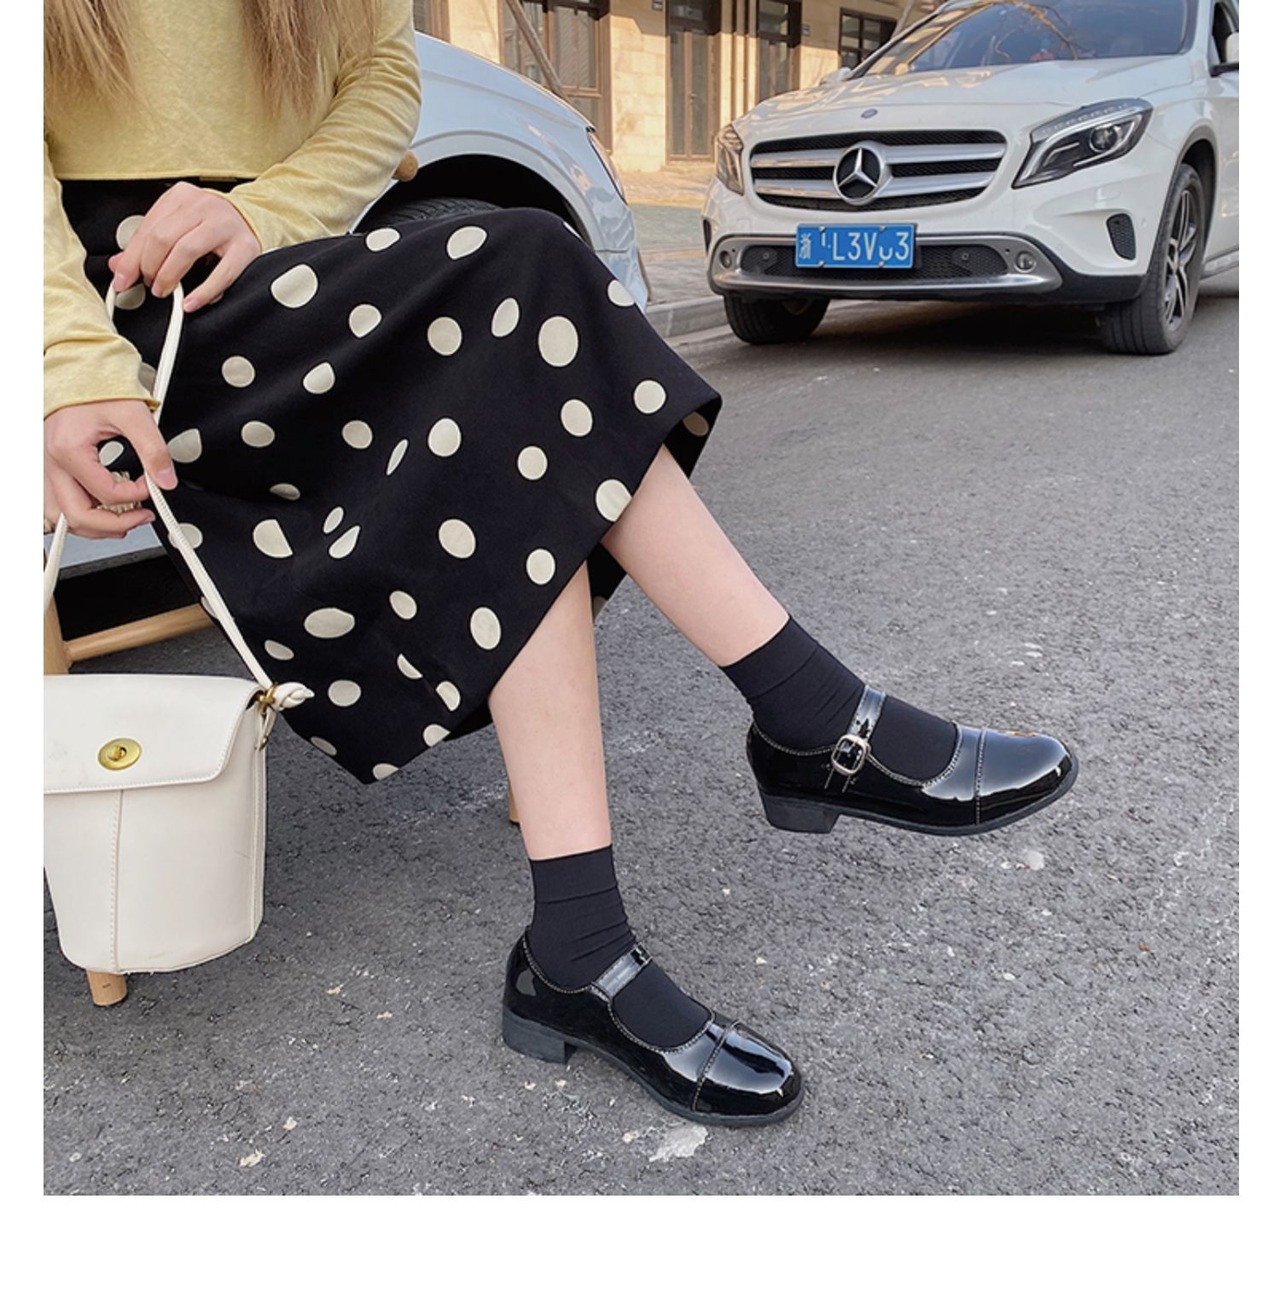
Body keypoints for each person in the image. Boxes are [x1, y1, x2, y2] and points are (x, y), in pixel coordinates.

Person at [44, 0, 1076, 1129]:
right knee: (525, 279)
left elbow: (383, 77)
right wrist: (65, 363)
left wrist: (262, 211)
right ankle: (804, 723)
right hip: (100, 298)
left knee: (517, 365)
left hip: (271, 255)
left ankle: (581, 943)